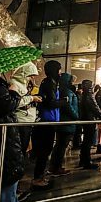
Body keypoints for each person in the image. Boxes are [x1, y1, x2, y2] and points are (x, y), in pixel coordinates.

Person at [32, 60, 67, 189]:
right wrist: (64, 102)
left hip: (49, 120)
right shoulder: (49, 84)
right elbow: (51, 103)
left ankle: (40, 175)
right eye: (59, 70)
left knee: (45, 150)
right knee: (44, 150)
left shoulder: (50, 83)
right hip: (48, 121)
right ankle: (38, 178)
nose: (60, 72)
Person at [49, 72, 79, 176]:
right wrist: (76, 116)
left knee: (59, 145)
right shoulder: (67, 92)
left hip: (62, 122)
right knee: (61, 146)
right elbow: (68, 106)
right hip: (67, 123)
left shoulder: (60, 90)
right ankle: (56, 167)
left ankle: (54, 166)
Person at [9, 62, 42, 156]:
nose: (32, 78)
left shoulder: (22, 85)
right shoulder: (15, 84)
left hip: (26, 120)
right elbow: (15, 102)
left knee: (23, 146)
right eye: (30, 75)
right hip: (21, 120)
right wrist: (32, 98)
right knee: (20, 148)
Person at [78, 79, 101, 169]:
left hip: (85, 119)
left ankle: (83, 160)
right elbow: (95, 107)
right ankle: (87, 162)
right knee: (88, 141)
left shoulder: (83, 95)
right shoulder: (89, 96)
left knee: (86, 141)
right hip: (90, 120)